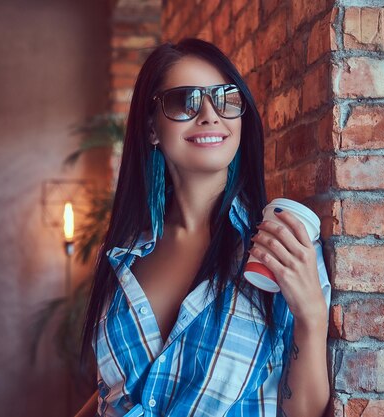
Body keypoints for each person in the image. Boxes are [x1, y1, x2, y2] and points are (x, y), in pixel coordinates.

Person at [76, 38, 331, 417]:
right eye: (184, 101)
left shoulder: (277, 243)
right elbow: (112, 395)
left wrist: (311, 316)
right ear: (151, 128)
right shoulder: (120, 257)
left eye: (225, 97)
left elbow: (303, 413)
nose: (211, 115)